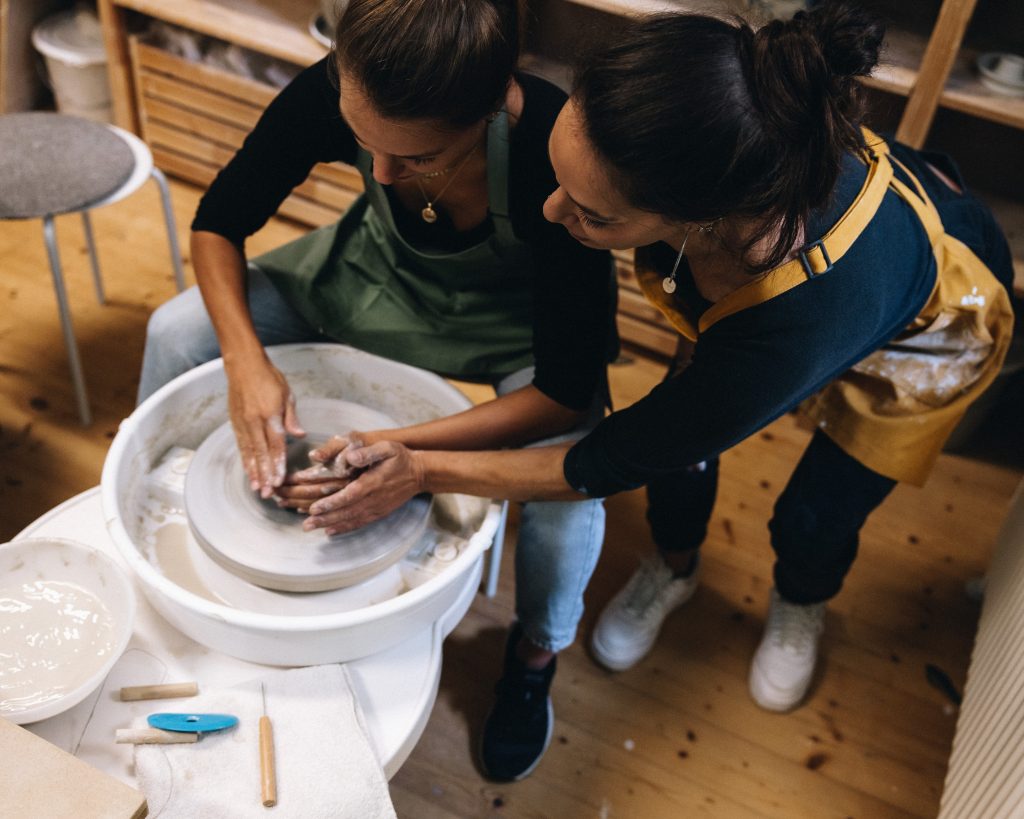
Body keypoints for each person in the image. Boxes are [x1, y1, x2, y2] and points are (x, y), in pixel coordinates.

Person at [290, 3, 1015, 714]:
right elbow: (662, 435)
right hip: (803, 257)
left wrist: (419, 468)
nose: (550, 215)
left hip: (929, 330)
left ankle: (801, 602)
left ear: (700, 219)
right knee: (684, 455)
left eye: (593, 214)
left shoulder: (791, 320)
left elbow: (605, 459)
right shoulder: (724, 140)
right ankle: (674, 567)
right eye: (561, 183)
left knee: (814, 512)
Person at [137, 0, 617, 781]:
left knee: (576, 478)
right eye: (367, 144)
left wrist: (397, 450)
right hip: (374, 276)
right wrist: (245, 361)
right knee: (176, 329)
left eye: (418, 155)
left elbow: (563, 390)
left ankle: (532, 662)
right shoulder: (344, 83)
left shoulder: (555, 151)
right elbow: (220, 219)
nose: (383, 173)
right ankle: (158, 532)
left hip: (516, 326)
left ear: (494, 105)